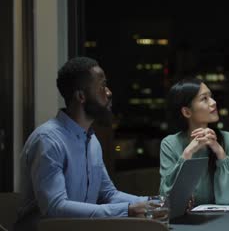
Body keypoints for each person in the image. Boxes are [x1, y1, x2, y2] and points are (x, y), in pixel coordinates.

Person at [15, 57, 149, 230]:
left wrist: (154, 202)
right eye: (102, 86)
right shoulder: (48, 140)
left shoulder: (92, 140)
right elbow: (56, 207)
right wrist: (128, 210)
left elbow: (108, 194)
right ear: (81, 96)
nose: (108, 92)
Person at [159, 78, 229, 205]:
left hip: (228, 220)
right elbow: (167, 199)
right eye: (204, 99)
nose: (213, 102)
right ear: (187, 112)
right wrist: (187, 153)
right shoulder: (170, 144)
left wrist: (220, 152)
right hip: (186, 222)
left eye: (211, 97)